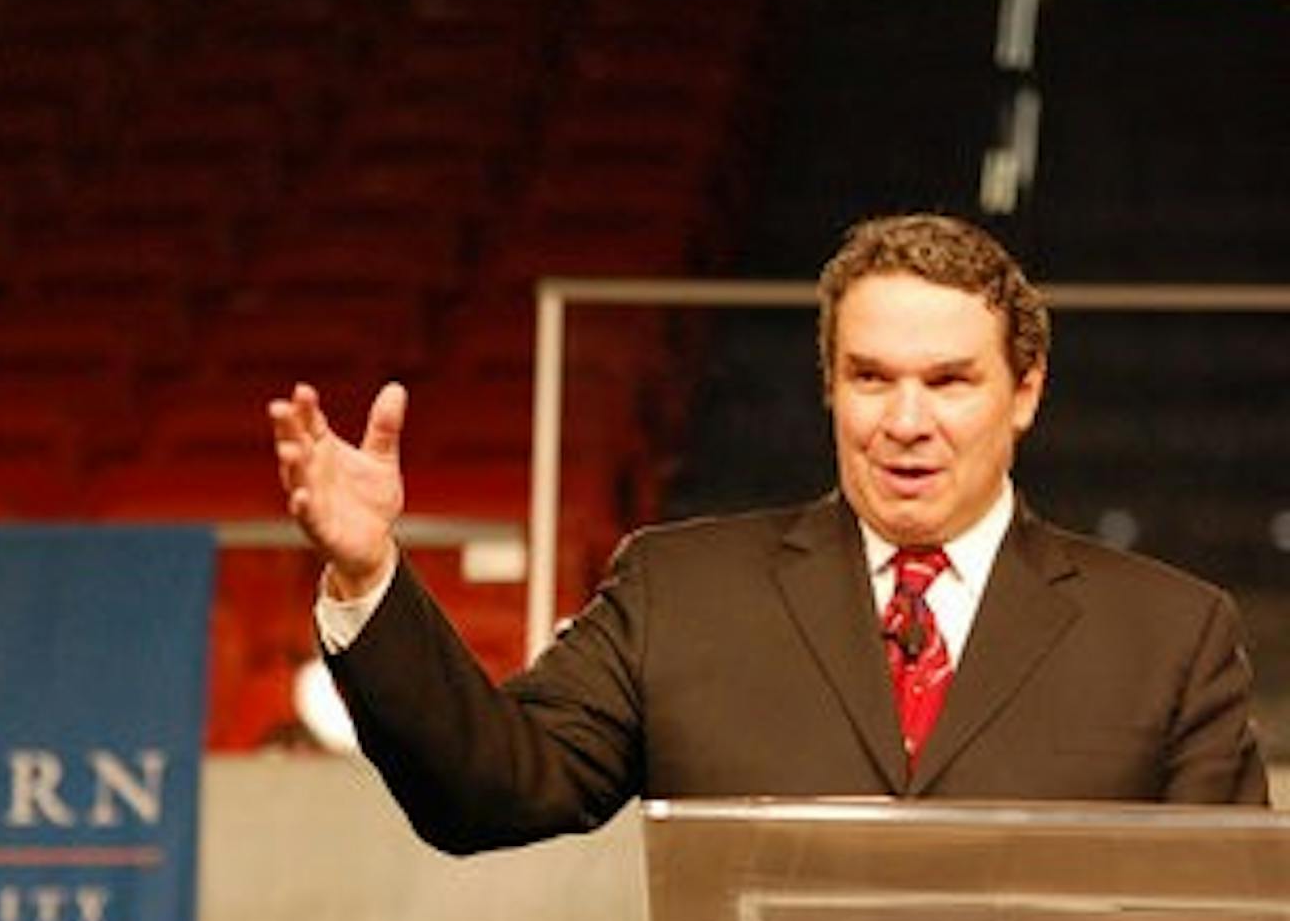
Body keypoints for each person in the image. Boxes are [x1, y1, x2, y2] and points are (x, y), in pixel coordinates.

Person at [268, 213, 1268, 857]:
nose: (906, 421)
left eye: (950, 381)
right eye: (872, 377)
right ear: (829, 386)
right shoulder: (682, 591)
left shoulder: (1167, 638)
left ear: (1026, 393)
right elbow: (490, 790)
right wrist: (369, 575)